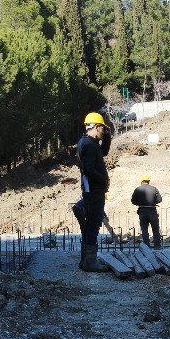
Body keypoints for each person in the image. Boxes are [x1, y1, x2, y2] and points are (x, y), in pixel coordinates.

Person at [76, 111, 112, 272]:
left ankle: (86, 260)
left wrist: (108, 137)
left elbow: (103, 152)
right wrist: (103, 179)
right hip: (94, 191)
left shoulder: (87, 142)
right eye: (102, 129)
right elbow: (89, 169)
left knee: (91, 225)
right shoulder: (89, 145)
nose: (103, 132)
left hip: (92, 189)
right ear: (96, 127)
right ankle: (90, 262)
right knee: (93, 224)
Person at [72, 196, 116, 268]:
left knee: (85, 231)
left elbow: (100, 209)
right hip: (78, 209)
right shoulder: (97, 197)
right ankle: (87, 261)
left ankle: (84, 260)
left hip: (77, 208)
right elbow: (100, 209)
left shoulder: (94, 197)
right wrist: (104, 217)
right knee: (85, 232)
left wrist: (104, 216)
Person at [131, 176, 162, 249]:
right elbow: (159, 200)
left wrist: (140, 203)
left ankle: (146, 246)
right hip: (152, 210)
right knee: (155, 229)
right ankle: (157, 246)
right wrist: (153, 202)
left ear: (142, 182)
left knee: (144, 229)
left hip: (142, 211)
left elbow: (133, 201)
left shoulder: (137, 189)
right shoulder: (154, 189)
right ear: (148, 181)